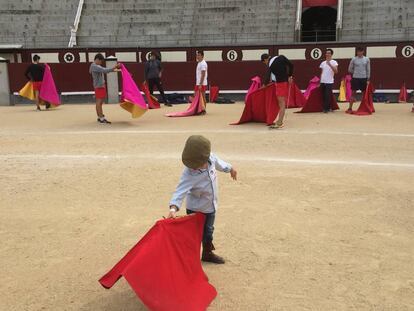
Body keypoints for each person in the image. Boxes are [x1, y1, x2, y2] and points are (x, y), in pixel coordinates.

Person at [168, 135, 237, 264]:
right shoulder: (189, 173)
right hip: (195, 209)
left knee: (208, 231)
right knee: (193, 235)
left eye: (197, 164)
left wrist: (230, 169)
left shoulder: (210, 157)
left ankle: (207, 253)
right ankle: (190, 259)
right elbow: (180, 191)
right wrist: (173, 208)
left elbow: (220, 163)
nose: (194, 167)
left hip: (210, 206)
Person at [261, 53, 294, 129]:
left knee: (281, 103)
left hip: (280, 83)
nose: (266, 64)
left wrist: (264, 85)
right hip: (284, 82)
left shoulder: (271, 64)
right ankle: (279, 121)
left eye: (264, 62)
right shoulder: (281, 57)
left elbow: (268, 76)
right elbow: (291, 65)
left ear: (266, 59)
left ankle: (279, 122)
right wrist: (290, 76)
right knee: (281, 102)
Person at [89, 53, 119, 124]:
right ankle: (101, 118)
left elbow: (103, 70)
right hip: (99, 86)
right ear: (97, 59)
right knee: (99, 102)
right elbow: (104, 70)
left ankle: (100, 117)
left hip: (99, 86)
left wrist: (116, 70)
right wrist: (114, 67)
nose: (101, 63)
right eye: (100, 61)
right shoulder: (94, 66)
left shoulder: (94, 66)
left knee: (99, 102)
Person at [347, 47, 371, 112]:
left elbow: (368, 69)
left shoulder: (367, 59)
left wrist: (368, 79)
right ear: (356, 52)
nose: (359, 53)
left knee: (364, 94)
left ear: (363, 52)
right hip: (355, 78)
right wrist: (355, 72)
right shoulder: (353, 59)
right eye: (358, 52)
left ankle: (365, 107)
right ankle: (350, 108)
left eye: (360, 51)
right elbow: (349, 69)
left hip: (364, 78)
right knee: (353, 93)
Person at [319, 49, 338, 113]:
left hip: (329, 81)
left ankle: (326, 109)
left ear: (331, 54)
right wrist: (320, 81)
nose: (327, 54)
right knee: (324, 95)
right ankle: (328, 107)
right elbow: (322, 73)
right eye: (326, 53)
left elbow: (336, 71)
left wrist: (330, 64)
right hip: (323, 81)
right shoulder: (323, 63)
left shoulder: (334, 62)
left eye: (329, 53)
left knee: (327, 95)